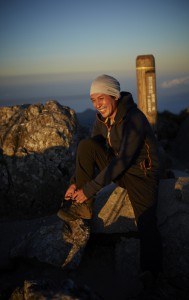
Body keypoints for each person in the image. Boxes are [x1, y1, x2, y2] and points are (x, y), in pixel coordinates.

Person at [57, 74, 163, 280]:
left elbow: (123, 159)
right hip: (118, 169)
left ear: (114, 96)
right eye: (93, 100)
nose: (97, 104)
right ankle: (83, 206)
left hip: (142, 174)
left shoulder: (134, 119)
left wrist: (89, 188)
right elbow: (92, 152)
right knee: (86, 145)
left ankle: (152, 274)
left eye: (101, 98)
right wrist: (75, 184)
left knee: (146, 222)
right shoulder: (102, 120)